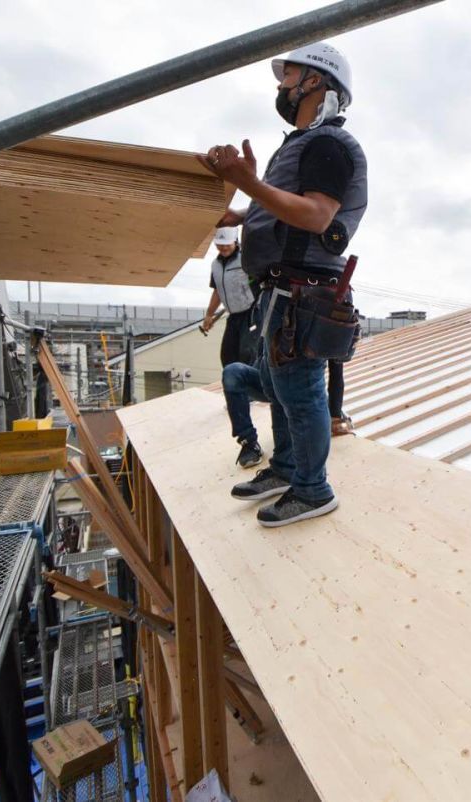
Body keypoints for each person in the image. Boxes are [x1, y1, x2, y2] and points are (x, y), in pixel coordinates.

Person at [198, 41, 367, 527]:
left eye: (288, 75)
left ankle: (313, 491)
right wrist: (242, 209)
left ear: (315, 80)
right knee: (276, 383)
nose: (281, 85)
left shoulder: (328, 145)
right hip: (283, 288)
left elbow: (317, 215)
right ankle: (288, 468)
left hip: (306, 291)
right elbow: (284, 204)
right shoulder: (302, 143)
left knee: (301, 391)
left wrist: (248, 185)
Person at [201, 226, 258, 367]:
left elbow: (259, 283)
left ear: (235, 241)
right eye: (220, 244)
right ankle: (232, 386)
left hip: (250, 314)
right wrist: (209, 314)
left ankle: (250, 385)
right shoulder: (215, 265)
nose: (223, 247)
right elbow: (217, 291)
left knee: (248, 353)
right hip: (233, 316)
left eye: (227, 244)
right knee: (228, 355)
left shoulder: (246, 259)